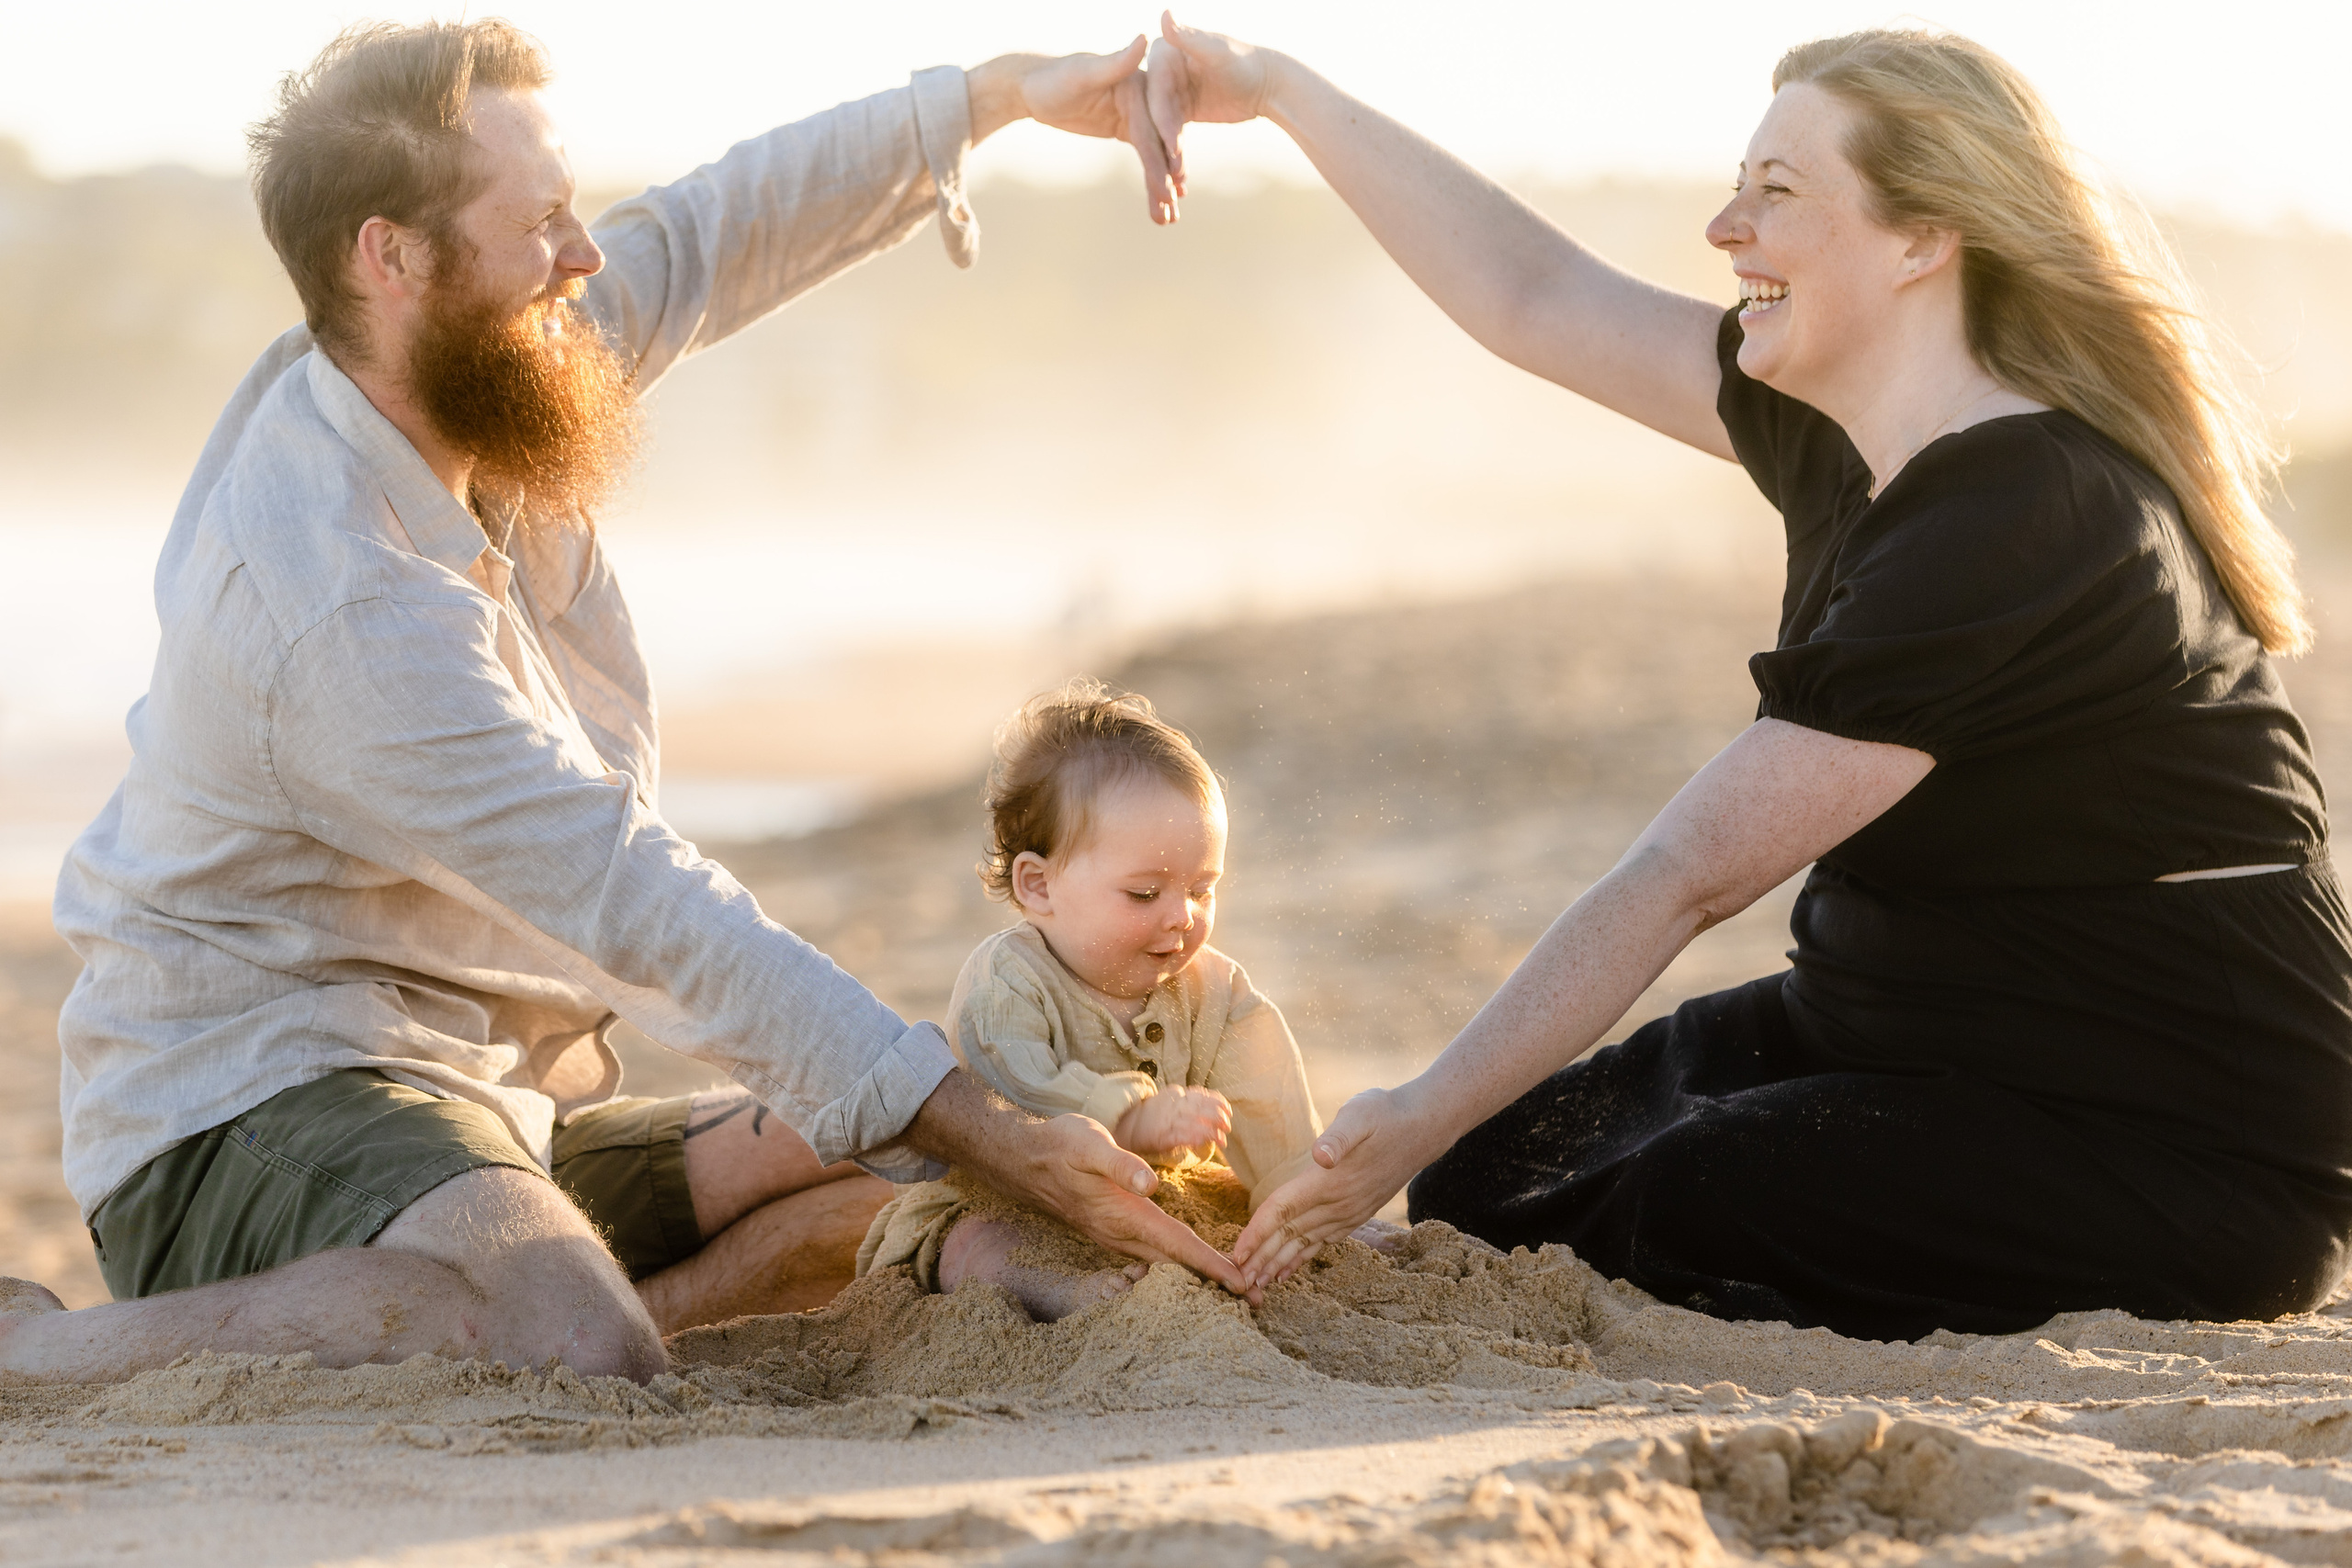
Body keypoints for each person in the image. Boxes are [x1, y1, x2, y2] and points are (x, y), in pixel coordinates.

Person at [0, 18, 1248, 1386]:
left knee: (883, 1169)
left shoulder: (490, 360)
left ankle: (544, 1276)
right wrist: (1001, 1135)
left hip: (471, 1096)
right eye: (542, 222)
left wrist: (998, 98)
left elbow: (717, 230)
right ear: (392, 255)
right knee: (582, 1332)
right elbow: (633, 896)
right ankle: (40, 1350)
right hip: (245, 1106)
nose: (584, 253)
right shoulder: (334, 603)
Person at [1146, 17, 2352, 1340]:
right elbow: (1531, 301)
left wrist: (1416, 1097)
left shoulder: (2025, 510)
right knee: (1493, 1170)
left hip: (2172, 1131)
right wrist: (1277, 92)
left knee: (1670, 1195)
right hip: (1895, 1028)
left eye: (1778, 192)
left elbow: (1690, 872)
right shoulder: (1841, 425)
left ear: (1922, 238)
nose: (1727, 227)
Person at [857, 682, 1320, 1320]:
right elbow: (1014, 1088)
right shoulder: (1008, 981)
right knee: (974, 1244)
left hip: (1152, 1199)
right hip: (1009, 1199)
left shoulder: (1214, 987)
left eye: (1203, 888)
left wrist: (1299, 1199)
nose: (1183, 917)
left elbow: (1268, 1095)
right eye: (1144, 894)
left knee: (1234, 1198)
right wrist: (1129, 1120)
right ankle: (1053, 1288)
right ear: (1040, 885)